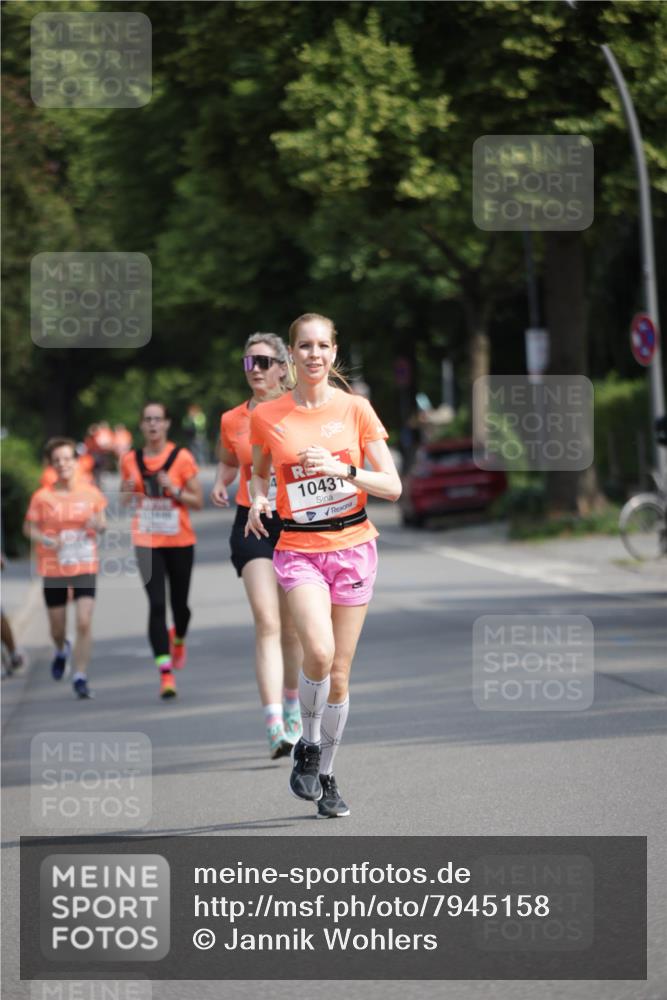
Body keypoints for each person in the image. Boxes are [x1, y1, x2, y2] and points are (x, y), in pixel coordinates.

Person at [247, 313, 401, 817]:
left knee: (339, 673)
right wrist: (256, 500)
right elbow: (260, 473)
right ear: (291, 354)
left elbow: (393, 486)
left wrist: (344, 470)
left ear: (334, 353)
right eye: (304, 346)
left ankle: (327, 774)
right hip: (298, 549)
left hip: (354, 545)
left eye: (323, 346)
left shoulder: (356, 410)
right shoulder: (269, 416)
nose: (314, 354)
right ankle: (307, 744)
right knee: (317, 647)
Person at [211, 333, 303, 759]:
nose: (258, 371)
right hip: (253, 523)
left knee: (291, 627)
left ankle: (291, 706)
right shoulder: (233, 418)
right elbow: (230, 459)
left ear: (283, 367)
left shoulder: (300, 410)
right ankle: (273, 726)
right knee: (266, 620)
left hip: (298, 522)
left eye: (265, 362)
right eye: (250, 363)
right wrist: (219, 483)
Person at [121, 402, 203, 699]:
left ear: (167, 424)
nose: (153, 425)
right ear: (141, 425)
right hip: (147, 540)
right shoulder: (131, 459)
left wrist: (175, 488)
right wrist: (128, 490)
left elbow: (197, 501)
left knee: (180, 607)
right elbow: (123, 499)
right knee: (157, 605)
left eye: (158, 419)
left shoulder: (181, 457)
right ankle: (165, 674)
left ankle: (178, 638)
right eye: (148, 420)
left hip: (180, 540)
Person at [23, 437, 107, 699]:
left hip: (84, 562)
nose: (62, 464)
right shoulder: (42, 496)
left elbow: (102, 523)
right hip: (53, 567)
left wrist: (97, 524)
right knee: (57, 628)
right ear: (51, 465)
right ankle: (61, 650)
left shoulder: (90, 492)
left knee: (84, 621)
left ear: (76, 462)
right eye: (56, 460)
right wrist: (47, 539)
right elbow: (29, 528)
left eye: (67, 459)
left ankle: (80, 675)